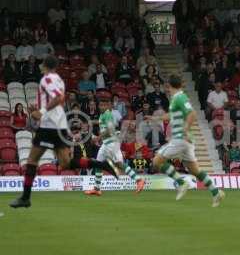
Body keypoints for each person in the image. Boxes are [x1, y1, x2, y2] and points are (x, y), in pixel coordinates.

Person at [10, 55, 119, 208]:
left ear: (45, 66)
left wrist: (42, 111)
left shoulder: (47, 79)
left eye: (42, 64)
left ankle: (25, 197)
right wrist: (39, 112)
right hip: (58, 125)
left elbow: (59, 98)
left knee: (32, 160)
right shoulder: (58, 80)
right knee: (65, 163)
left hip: (49, 126)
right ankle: (101, 165)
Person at [148, 74, 225, 207]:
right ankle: (216, 192)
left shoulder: (180, 97)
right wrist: (156, 118)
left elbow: (192, 113)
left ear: (168, 85)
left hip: (180, 138)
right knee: (195, 170)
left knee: (156, 161)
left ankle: (181, 183)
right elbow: (171, 115)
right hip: (186, 141)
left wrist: (185, 128)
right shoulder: (176, 99)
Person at [85, 98, 144, 196]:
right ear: (98, 106)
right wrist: (92, 122)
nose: (102, 107)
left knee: (119, 164)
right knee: (98, 164)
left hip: (111, 143)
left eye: (104, 105)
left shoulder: (107, 115)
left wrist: (98, 138)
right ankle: (96, 188)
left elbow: (110, 129)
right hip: (106, 144)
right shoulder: (103, 115)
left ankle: (139, 180)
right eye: (101, 105)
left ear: (108, 106)